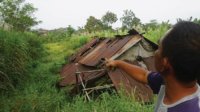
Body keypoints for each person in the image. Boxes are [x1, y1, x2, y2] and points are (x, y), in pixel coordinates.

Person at [105, 21, 200, 112]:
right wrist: (118, 63)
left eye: (159, 48)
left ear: (165, 63)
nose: (155, 52)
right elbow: (144, 75)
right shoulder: (170, 82)